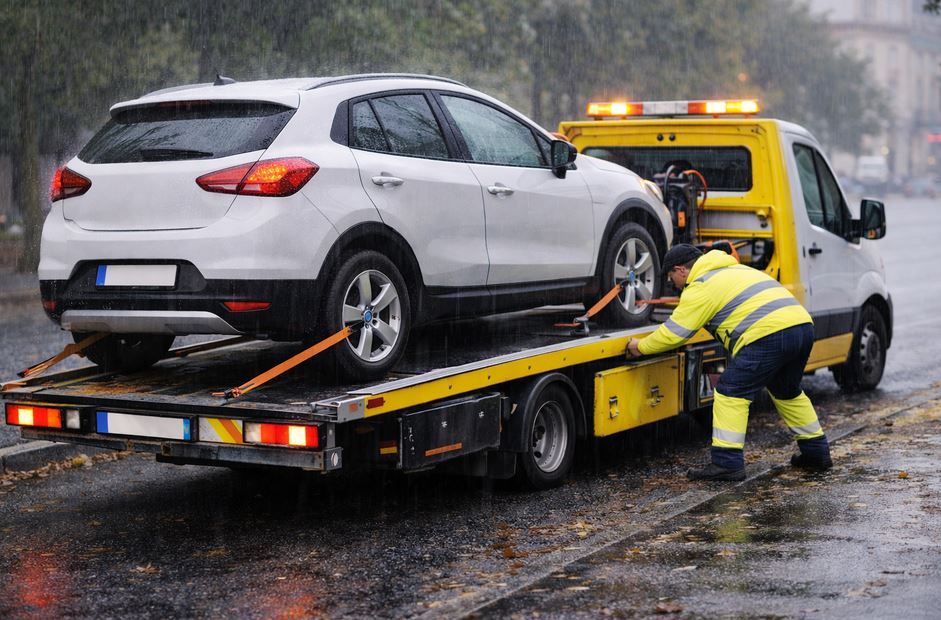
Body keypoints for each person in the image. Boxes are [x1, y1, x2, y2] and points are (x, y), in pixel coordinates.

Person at [626, 244, 832, 481]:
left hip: (769, 334)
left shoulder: (701, 286)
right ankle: (817, 453)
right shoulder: (735, 271)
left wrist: (639, 347)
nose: (672, 283)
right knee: (787, 392)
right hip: (802, 326)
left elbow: (675, 334)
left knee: (730, 391)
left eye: (671, 276)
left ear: (681, 269)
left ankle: (727, 464)